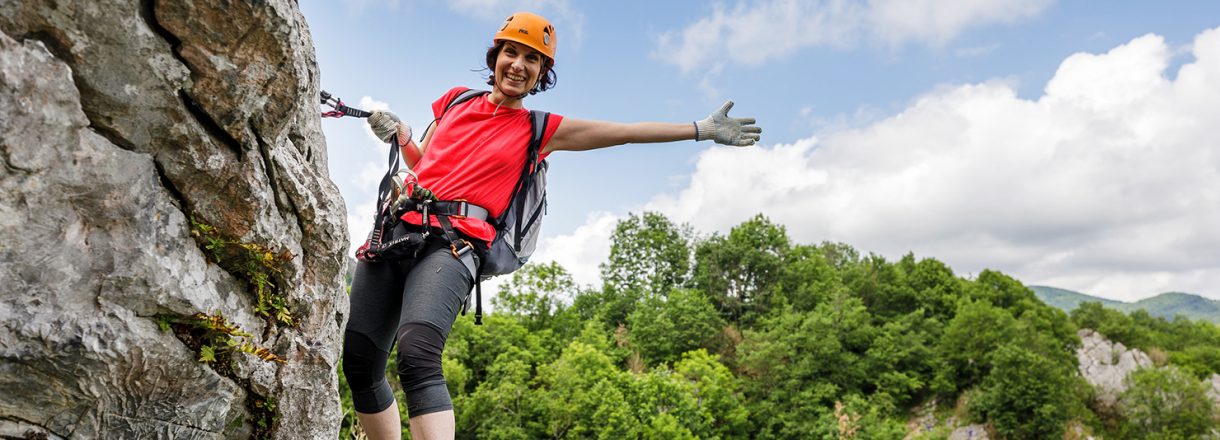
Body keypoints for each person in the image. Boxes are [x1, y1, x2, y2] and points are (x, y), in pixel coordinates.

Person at [342, 11, 761, 440]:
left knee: (417, 353)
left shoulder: (539, 130)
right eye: (511, 52)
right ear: (495, 56)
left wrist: (699, 129)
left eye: (532, 59)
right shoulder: (455, 101)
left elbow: (625, 132)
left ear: (543, 72)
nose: (518, 65)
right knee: (358, 359)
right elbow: (426, 165)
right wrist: (402, 136)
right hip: (397, 229)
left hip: (453, 245)